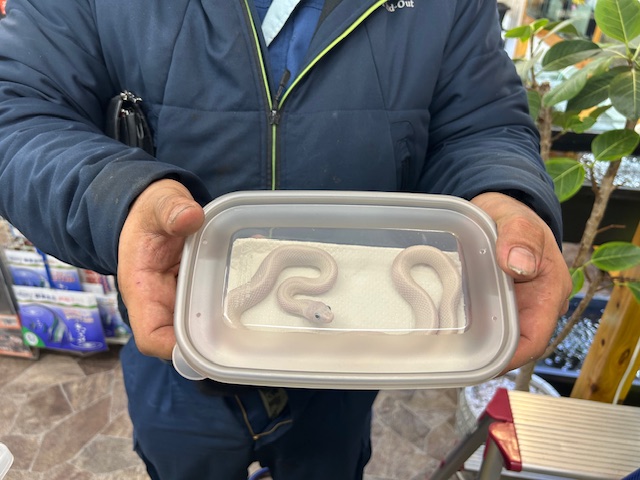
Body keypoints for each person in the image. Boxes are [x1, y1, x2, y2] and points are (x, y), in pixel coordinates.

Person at [0, 1, 572, 479]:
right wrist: (117, 199)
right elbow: (17, 110)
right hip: (178, 350)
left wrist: (503, 194)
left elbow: (481, 125)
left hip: (350, 363)